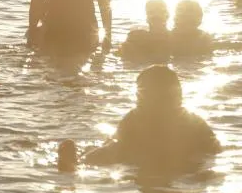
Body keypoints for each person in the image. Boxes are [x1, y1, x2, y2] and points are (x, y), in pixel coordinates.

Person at [83, 65, 220, 173]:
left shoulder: (134, 118)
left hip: (141, 162)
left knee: (92, 156)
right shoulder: (193, 121)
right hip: (180, 166)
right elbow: (213, 148)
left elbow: (115, 147)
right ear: (178, 94)